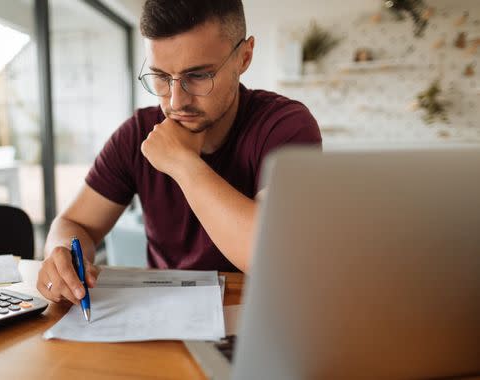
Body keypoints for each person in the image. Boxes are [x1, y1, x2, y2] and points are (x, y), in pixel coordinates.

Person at [37, 0, 322, 305]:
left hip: (259, 315)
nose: (175, 101)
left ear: (244, 57)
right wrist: (63, 254)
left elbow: (270, 257)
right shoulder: (137, 133)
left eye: (198, 76)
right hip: (165, 316)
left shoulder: (286, 127)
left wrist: (183, 164)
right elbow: (74, 224)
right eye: (161, 76)